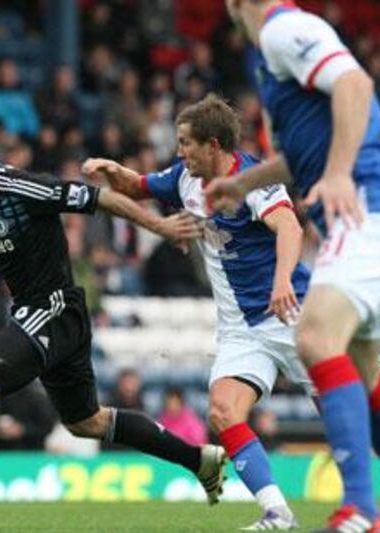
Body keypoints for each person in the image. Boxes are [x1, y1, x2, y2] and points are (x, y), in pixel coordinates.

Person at [0, 120, 225, 528]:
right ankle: (199, 460)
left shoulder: (18, 188)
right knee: (88, 422)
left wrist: (161, 226)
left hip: (54, 308)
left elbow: (98, 198)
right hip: (49, 315)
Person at [206, 2, 380, 532]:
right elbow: (303, 157)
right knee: (361, 365)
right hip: (369, 211)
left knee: (314, 338)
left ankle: (361, 508)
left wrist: (339, 173)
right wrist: (241, 184)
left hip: (365, 205)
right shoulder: (272, 59)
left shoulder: (282, 30)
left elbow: (356, 86)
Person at [84, 94, 310, 530]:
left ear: (212, 144)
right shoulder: (186, 179)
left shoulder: (252, 179)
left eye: (186, 142)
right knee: (223, 412)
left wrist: (282, 280)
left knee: (343, 409)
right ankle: (278, 513)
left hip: (288, 314)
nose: (180, 150)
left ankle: (372, 379)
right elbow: (138, 187)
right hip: (240, 329)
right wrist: (114, 171)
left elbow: (290, 226)